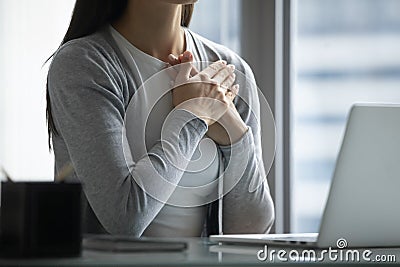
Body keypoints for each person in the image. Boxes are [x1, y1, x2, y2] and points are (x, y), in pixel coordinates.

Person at [46, 0, 274, 237]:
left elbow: (254, 226)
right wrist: (193, 116)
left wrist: (232, 128)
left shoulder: (228, 69)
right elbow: (125, 220)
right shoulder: (85, 64)